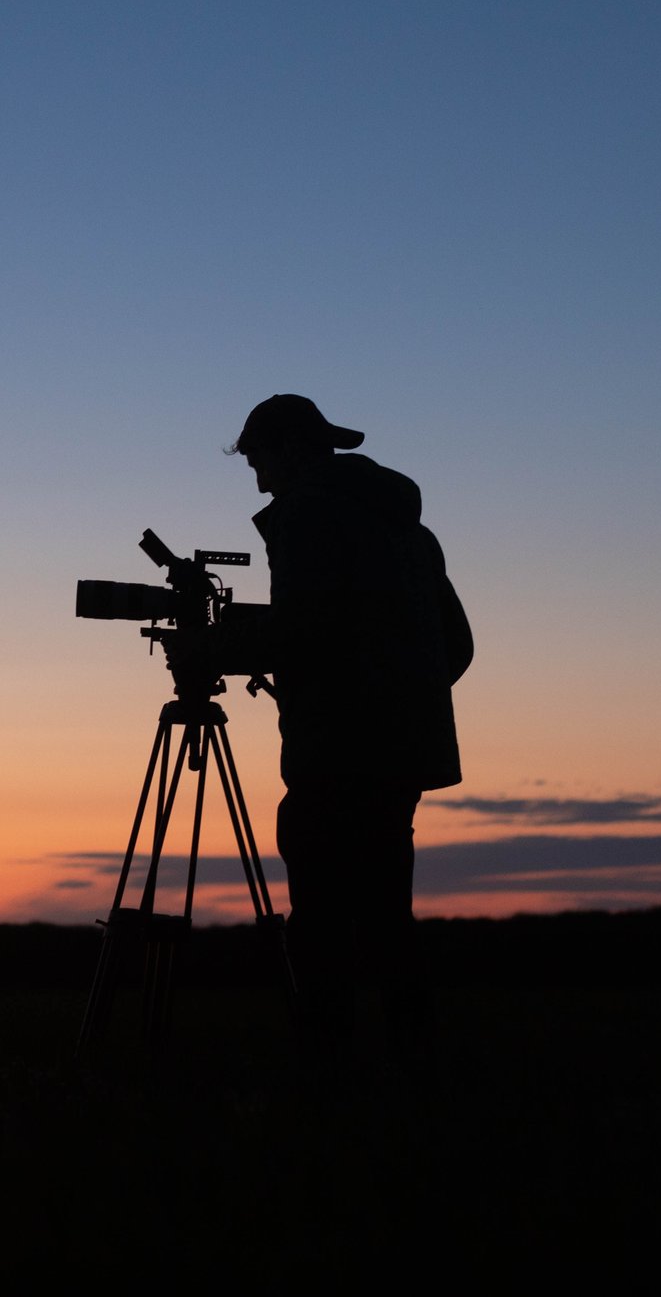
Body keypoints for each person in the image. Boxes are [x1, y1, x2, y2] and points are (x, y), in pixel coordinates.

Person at [224, 394, 471, 1054]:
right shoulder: (407, 530)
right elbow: (457, 644)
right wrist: (397, 693)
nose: (259, 479)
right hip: (401, 753)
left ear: (290, 451)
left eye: (259, 461)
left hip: (335, 750)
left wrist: (222, 649)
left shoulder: (307, 514)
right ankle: (412, 1060)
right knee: (388, 913)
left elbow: (304, 627)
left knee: (323, 916)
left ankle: (326, 1060)